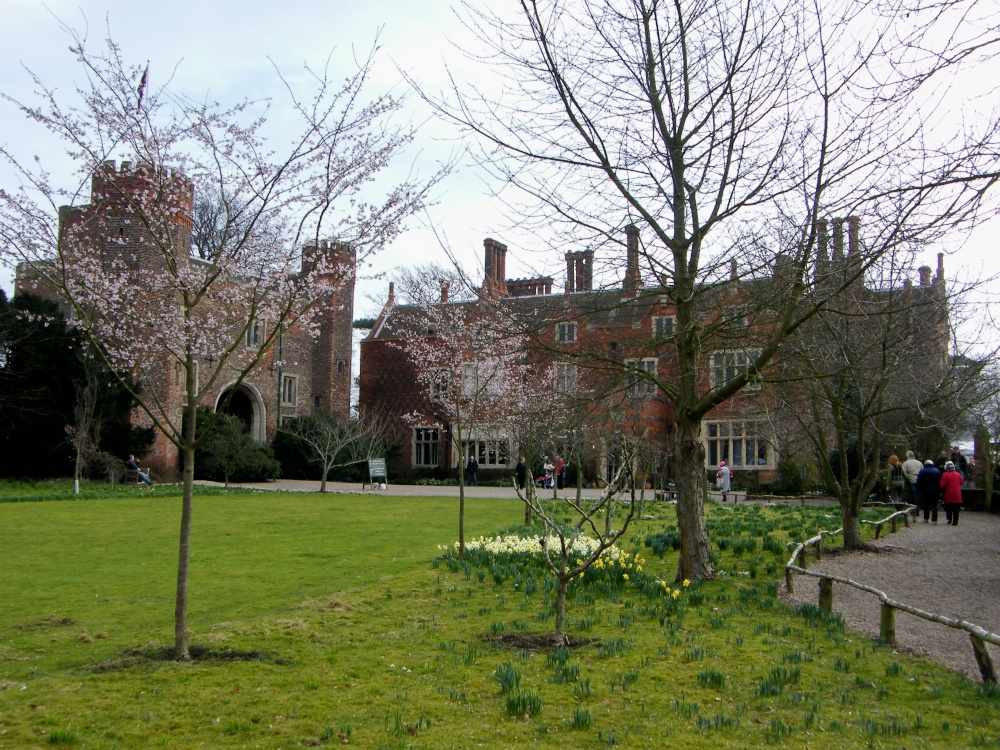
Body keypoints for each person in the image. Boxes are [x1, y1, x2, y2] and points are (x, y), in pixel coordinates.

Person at [915, 459, 941, 523]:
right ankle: (934, 520)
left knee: (926, 504)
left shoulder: (922, 471)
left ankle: (926, 518)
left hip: (925, 490)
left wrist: (919, 489)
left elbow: (919, 481)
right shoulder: (937, 471)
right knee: (934, 505)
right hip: (935, 490)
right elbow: (940, 481)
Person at [940, 460, 964, 525]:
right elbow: (961, 482)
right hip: (957, 494)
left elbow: (942, 485)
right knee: (956, 509)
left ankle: (949, 518)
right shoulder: (958, 474)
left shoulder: (945, 475)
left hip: (948, 493)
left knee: (948, 507)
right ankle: (955, 521)